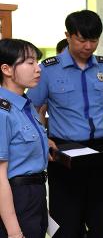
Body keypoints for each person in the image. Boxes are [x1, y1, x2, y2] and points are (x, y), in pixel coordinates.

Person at [27, 10, 103, 238]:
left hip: (100, 151)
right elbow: (32, 109)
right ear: (68, 35)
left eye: (93, 40)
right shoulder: (48, 69)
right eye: (82, 39)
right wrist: (43, 139)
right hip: (65, 153)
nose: (88, 46)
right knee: (67, 221)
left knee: (99, 218)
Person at [0, 39, 53, 238]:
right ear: (6, 69)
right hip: (15, 197)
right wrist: (13, 231)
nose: (38, 69)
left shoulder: (25, 104)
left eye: (37, 62)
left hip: (36, 192)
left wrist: (44, 145)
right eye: (30, 63)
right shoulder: (2, 111)